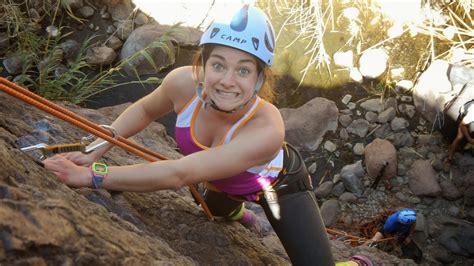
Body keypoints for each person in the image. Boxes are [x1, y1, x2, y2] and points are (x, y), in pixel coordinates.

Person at [43, 5, 340, 265]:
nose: (227, 81)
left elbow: (178, 174)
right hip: (223, 185)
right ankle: (238, 213)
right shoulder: (183, 83)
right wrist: (96, 148)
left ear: (260, 78)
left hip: (281, 186)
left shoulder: (267, 129)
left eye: (244, 70)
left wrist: (91, 176)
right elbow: (145, 110)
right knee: (209, 207)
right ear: (204, 63)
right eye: (219, 65)